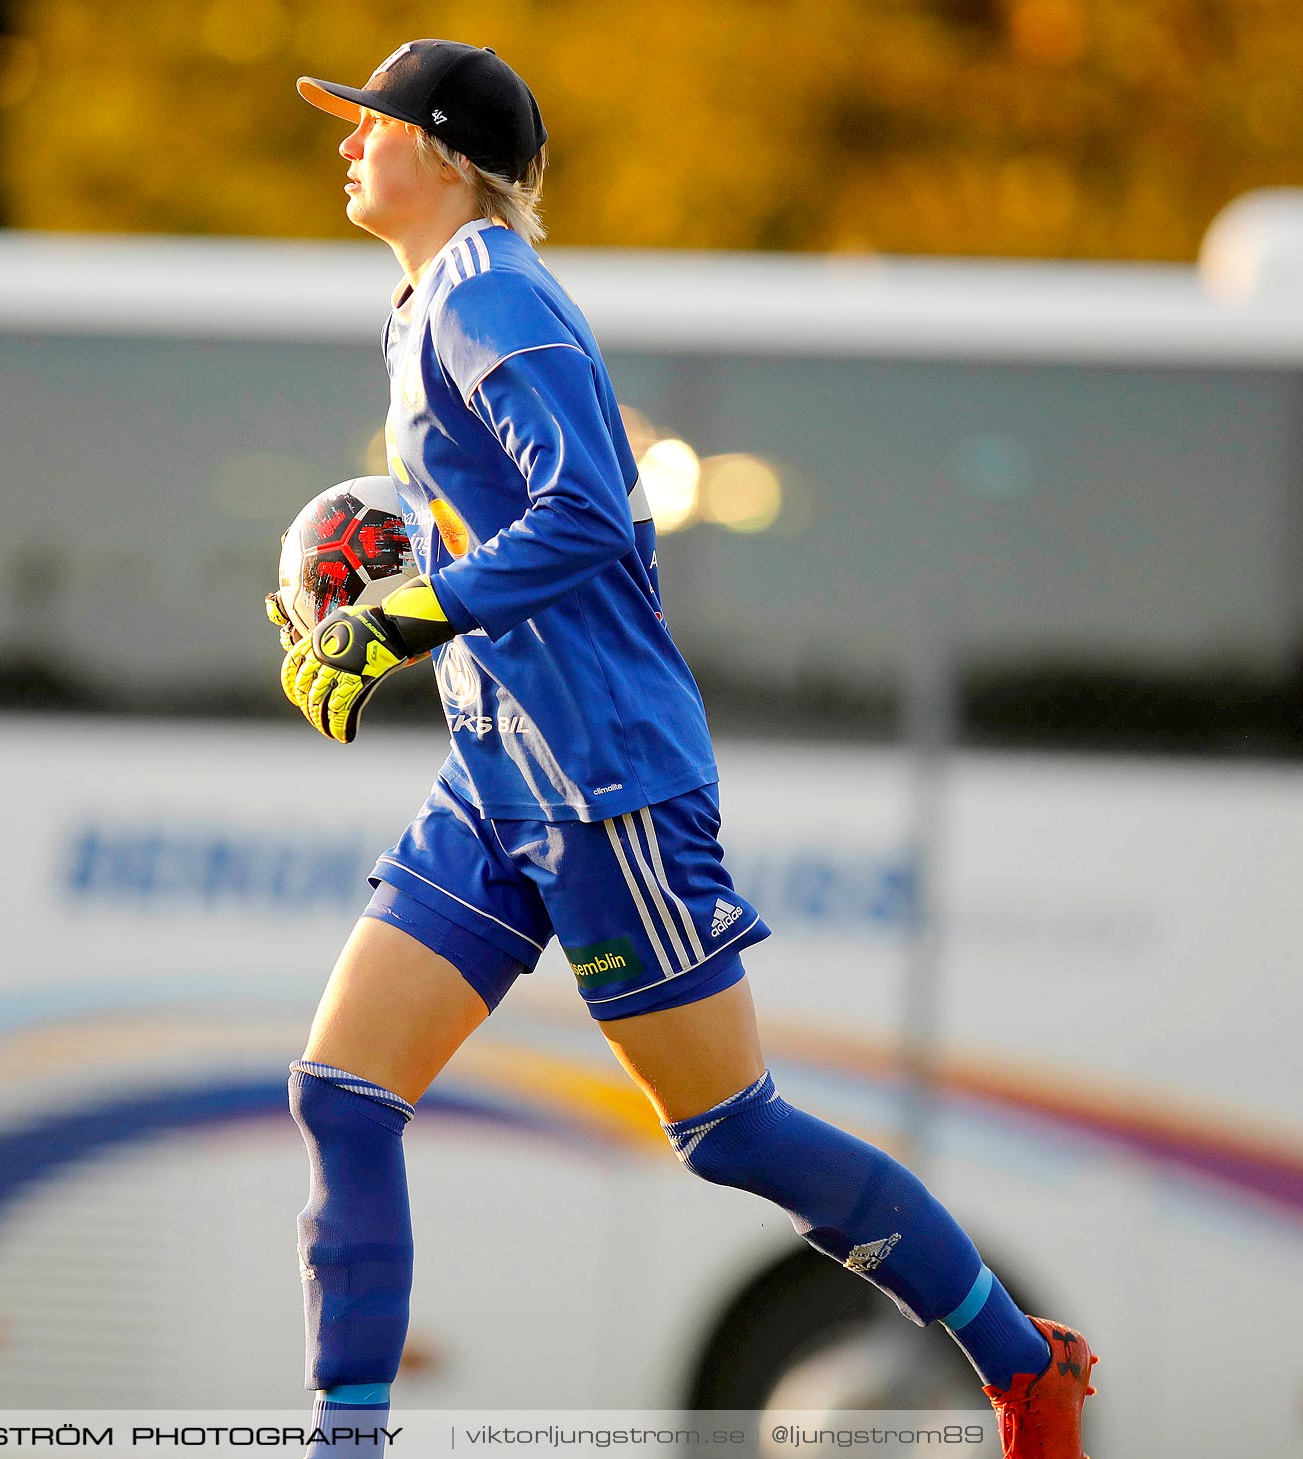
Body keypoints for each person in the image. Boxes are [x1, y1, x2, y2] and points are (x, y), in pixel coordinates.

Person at [270, 38, 1098, 1459]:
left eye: (373, 121)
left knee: (731, 1133)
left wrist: (406, 616)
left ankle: (1026, 1367)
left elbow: (589, 513)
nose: (349, 140)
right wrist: (366, 611)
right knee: (341, 1094)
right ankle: (349, 1440)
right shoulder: (427, 301)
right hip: (500, 777)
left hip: (605, 785)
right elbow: (498, 543)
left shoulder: (486, 285)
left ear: (449, 151)